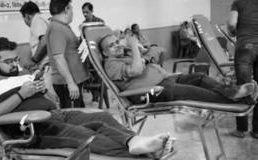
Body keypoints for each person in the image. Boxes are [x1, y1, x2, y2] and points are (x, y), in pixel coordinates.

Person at [0, 37, 174, 158]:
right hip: (32, 128)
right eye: (8, 62)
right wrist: (21, 94)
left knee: (101, 118)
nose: (14, 65)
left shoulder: (24, 75)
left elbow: (51, 100)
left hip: (55, 114)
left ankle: (134, 141)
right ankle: (146, 152)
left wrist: (45, 88)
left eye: (16, 60)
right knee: (83, 136)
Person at [100, 34, 258, 105]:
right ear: (105, 53)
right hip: (153, 91)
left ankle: (233, 92)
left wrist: (139, 52)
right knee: (193, 92)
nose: (117, 45)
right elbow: (136, 71)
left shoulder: (126, 55)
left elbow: (158, 50)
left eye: (117, 42)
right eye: (111, 46)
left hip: (167, 79)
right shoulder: (111, 64)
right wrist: (134, 45)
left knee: (200, 78)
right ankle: (240, 99)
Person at [46, 0, 89, 108]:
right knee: (73, 118)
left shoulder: (63, 27)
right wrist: (70, 83)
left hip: (73, 81)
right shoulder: (57, 29)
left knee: (80, 115)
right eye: (72, 9)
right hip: (66, 84)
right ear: (66, 9)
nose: (73, 12)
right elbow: (58, 58)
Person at [227, 0, 258, 138]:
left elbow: (232, 23)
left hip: (245, 46)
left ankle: (241, 129)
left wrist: (233, 32)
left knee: (243, 88)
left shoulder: (239, 2)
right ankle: (257, 131)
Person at [19, 1, 58, 104]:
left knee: (51, 98)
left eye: (24, 19)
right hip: (50, 65)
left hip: (48, 66)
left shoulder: (36, 20)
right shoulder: (43, 19)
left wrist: (34, 60)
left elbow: (44, 41)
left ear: (27, 16)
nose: (25, 22)